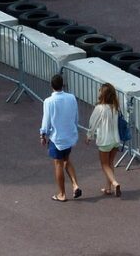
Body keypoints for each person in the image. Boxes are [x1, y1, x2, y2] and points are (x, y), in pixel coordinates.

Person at [40, 74, 82, 202]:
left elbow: (46, 120)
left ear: (51, 85)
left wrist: (43, 134)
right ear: (62, 84)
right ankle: (75, 185)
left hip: (57, 138)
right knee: (66, 160)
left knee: (58, 164)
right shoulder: (71, 98)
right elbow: (76, 116)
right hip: (69, 135)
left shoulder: (48, 101)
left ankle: (62, 194)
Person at [86, 83, 123, 197]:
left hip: (105, 140)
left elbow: (93, 123)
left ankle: (114, 183)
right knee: (110, 163)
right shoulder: (115, 107)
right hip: (116, 140)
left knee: (104, 165)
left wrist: (89, 136)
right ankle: (108, 188)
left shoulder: (100, 108)